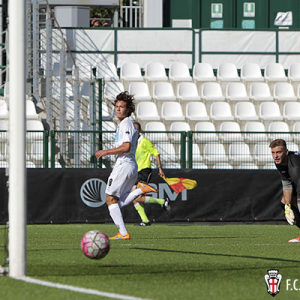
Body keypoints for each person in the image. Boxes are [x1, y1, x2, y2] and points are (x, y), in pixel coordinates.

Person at [95, 92, 157, 240]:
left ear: (128, 109)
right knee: (115, 201)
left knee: (110, 199)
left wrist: (106, 152)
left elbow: (126, 146)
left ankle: (123, 233)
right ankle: (138, 191)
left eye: (121, 107)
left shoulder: (126, 123)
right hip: (129, 165)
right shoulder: (123, 124)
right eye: (116, 106)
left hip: (124, 165)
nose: (118, 109)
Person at [132, 121, 170, 226]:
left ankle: (161, 201)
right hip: (135, 172)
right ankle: (145, 221)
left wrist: (160, 168)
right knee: (133, 198)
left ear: (139, 131)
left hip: (144, 171)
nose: (133, 131)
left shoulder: (144, 141)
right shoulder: (131, 143)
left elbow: (156, 153)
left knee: (137, 197)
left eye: (135, 129)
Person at [269, 139, 300, 242]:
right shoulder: (279, 162)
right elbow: (287, 184)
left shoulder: (295, 166)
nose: (275, 156)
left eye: (279, 152)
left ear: (286, 152)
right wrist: (287, 206)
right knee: (285, 203)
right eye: (273, 152)